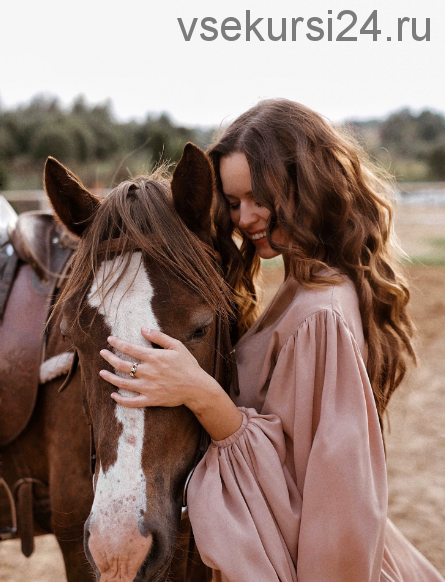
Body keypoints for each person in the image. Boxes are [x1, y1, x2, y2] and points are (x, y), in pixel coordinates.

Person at [99, 99, 444, 581]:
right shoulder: (302, 287)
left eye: (260, 197)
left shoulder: (321, 314)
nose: (245, 217)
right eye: (234, 202)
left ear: (307, 185)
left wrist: (200, 392)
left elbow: (333, 497)